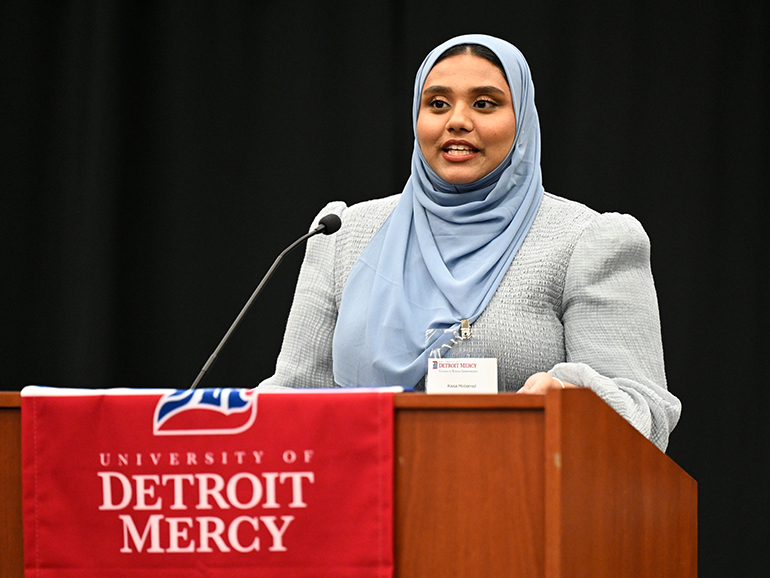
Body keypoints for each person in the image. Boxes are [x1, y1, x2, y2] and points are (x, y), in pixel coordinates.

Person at [259, 34, 681, 451]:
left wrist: (571, 399)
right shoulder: (343, 233)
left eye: (485, 103)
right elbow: (292, 397)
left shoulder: (587, 241)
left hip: (516, 504)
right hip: (363, 505)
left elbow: (645, 413)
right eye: (437, 104)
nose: (456, 120)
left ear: (523, 120)